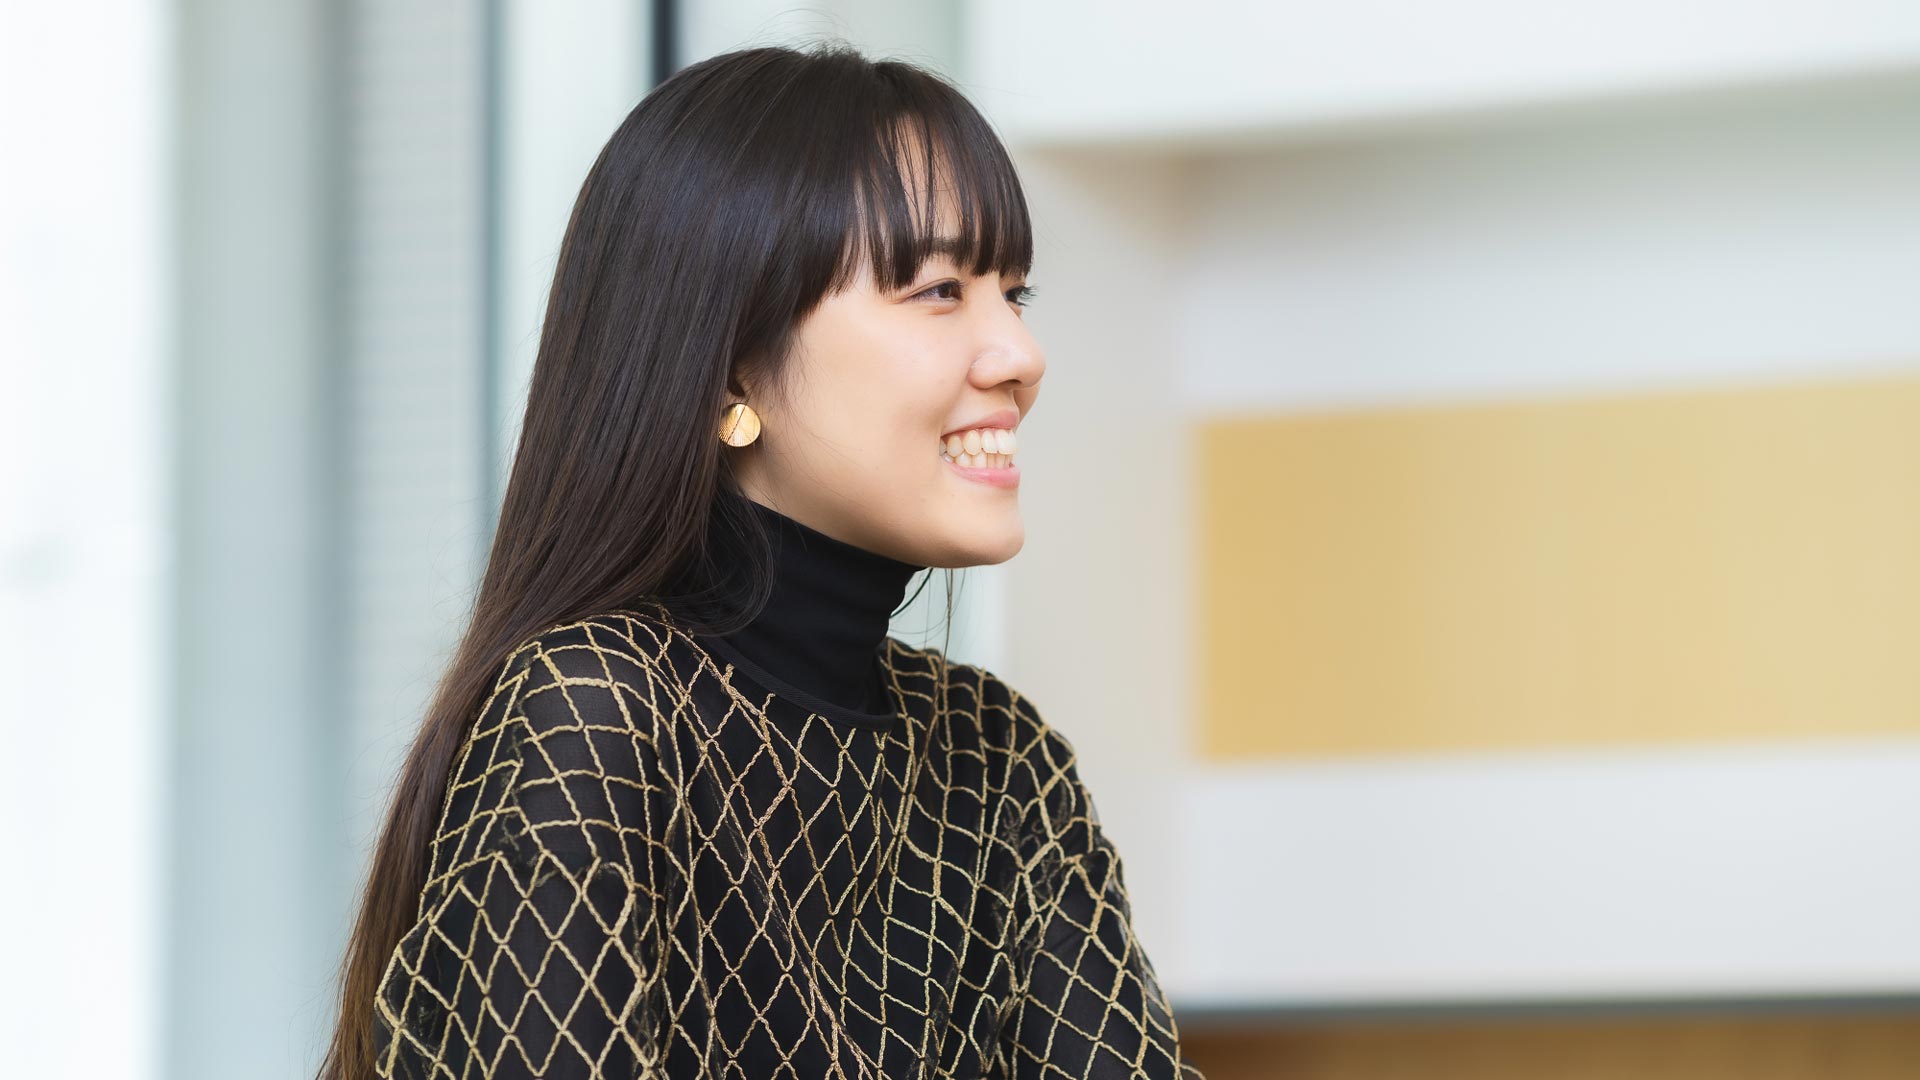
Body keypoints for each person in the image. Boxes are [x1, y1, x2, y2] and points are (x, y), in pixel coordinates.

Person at [316, 42, 1202, 1080]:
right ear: (731, 368)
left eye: (1015, 294)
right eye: (938, 292)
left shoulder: (1001, 764)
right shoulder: (592, 717)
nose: (1018, 355)